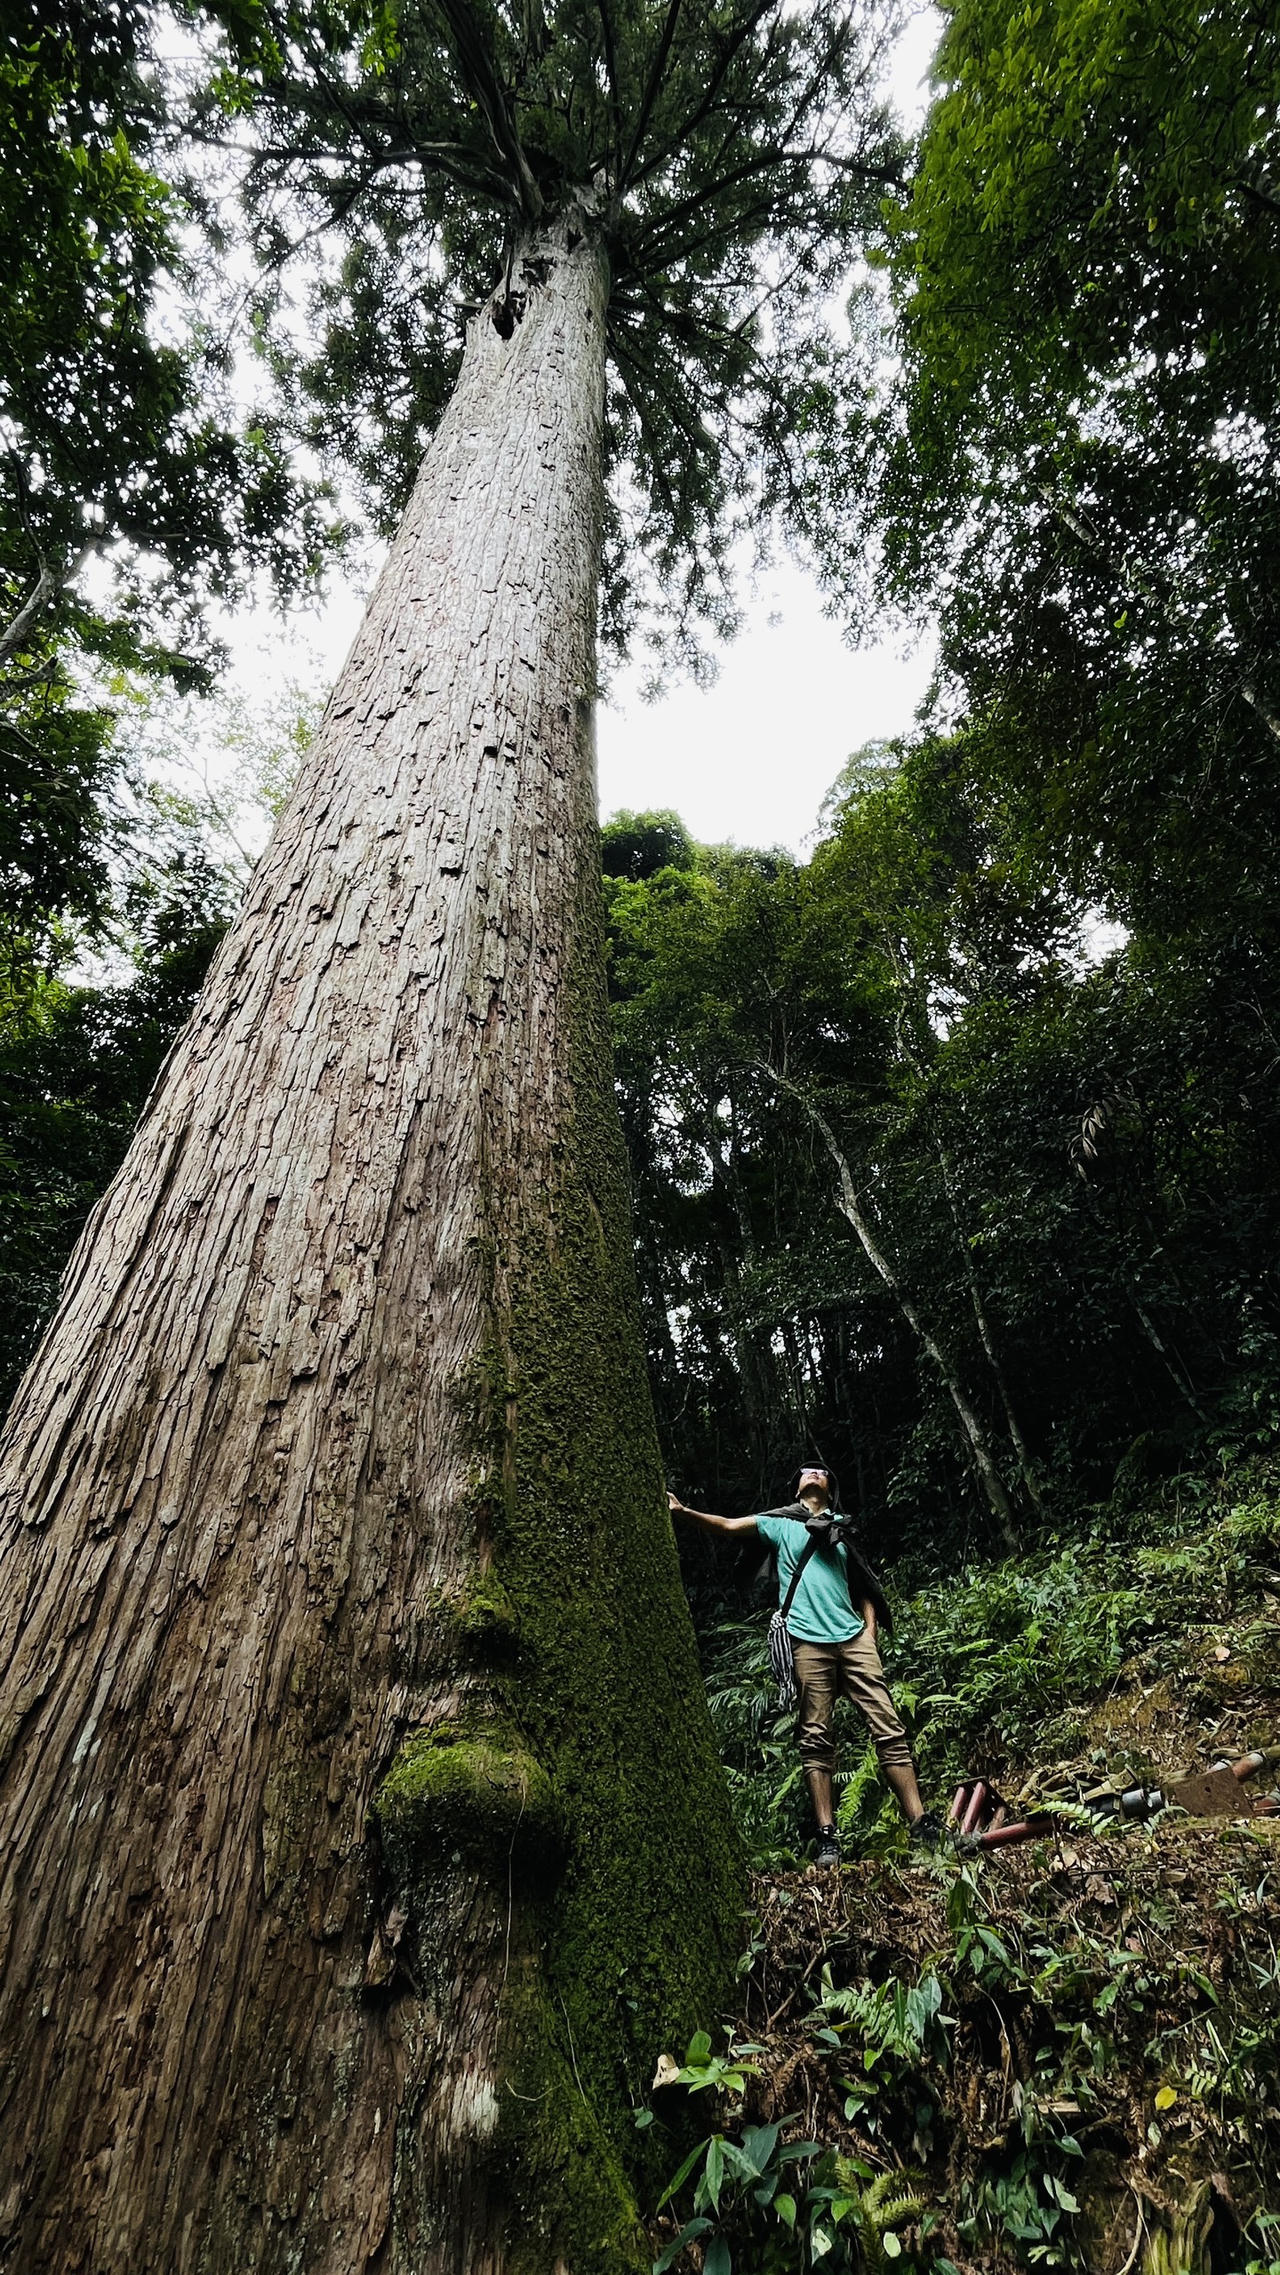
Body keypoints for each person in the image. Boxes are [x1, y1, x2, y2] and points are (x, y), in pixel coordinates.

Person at [669, 1464, 941, 1865]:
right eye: (806, 1471)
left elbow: (864, 1586)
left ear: (830, 1488)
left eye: (821, 1471)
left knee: (889, 1727)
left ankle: (920, 1824)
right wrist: (683, 1511)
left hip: (853, 1640)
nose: (813, 1474)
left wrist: (869, 1633)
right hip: (806, 1642)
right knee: (816, 1735)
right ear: (797, 1487)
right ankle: (828, 1836)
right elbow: (727, 1526)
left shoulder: (842, 1530)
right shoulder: (781, 1524)